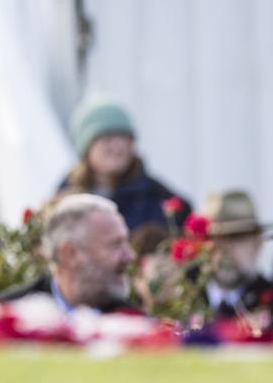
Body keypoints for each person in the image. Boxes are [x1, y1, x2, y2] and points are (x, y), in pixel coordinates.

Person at [58, 96, 190, 235]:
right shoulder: (65, 200)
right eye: (107, 137)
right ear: (86, 147)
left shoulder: (158, 198)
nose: (117, 146)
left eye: (124, 137)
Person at [0, 193, 138, 314]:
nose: (130, 256)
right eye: (115, 245)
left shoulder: (136, 326)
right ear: (69, 254)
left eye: (127, 242)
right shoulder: (0, 318)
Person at [198, 190, 273, 322]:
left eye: (236, 238)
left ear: (257, 244)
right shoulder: (180, 300)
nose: (225, 249)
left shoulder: (269, 300)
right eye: (215, 239)